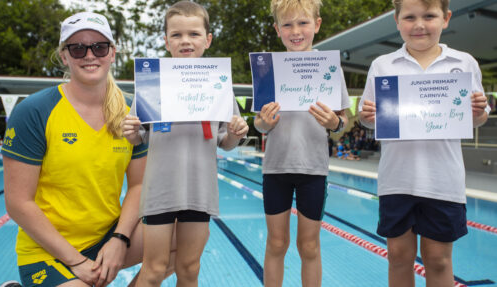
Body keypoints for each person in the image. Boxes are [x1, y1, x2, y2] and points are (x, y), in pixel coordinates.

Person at [1, 12, 172, 287]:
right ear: (65, 56)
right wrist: (77, 262)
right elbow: (19, 203)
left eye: (99, 47)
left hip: (107, 237)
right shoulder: (34, 111)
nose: (89, 55)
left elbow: (139, 185)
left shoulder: (134, 111)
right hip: (48, 250)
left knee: (180, 236)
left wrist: (120, 239)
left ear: (112, 53)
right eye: (78, 48)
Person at [358, 0, 490, 286]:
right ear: (397, 20)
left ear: (446, 18)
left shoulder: (463, 63)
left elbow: (475, 120)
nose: (419, 24)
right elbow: (368, 119)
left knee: (439, 260)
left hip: (443, 179)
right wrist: (367, 116)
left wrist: (478, 113)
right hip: (397, 179)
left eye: (429, 16)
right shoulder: (383, 65)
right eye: (410, 17)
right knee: (397, 256)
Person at [121, 2, 249, 286]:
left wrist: (236, 133)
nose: (185, 41)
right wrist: (130, 130)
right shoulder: (152, 83)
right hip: (159, 191)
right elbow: (137, 138)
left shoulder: (219, 86)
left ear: (208, 39)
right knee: (154, 270)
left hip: (198, 191)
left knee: (189, 268)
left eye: (193, 33)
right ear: (166, 41)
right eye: (177, 35)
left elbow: (225, 143)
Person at [254, 0, 351, 286]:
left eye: (303, 23)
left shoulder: (329, 69)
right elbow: (258, 124)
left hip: (313, 170)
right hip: (276, 169)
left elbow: (343, 124)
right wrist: (264, 124)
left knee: (309, 246)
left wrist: (335, 124)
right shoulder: (267, 70)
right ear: (277, 29)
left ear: (317, 24)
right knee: (276, 244)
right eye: (287, 24)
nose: (295, 31)